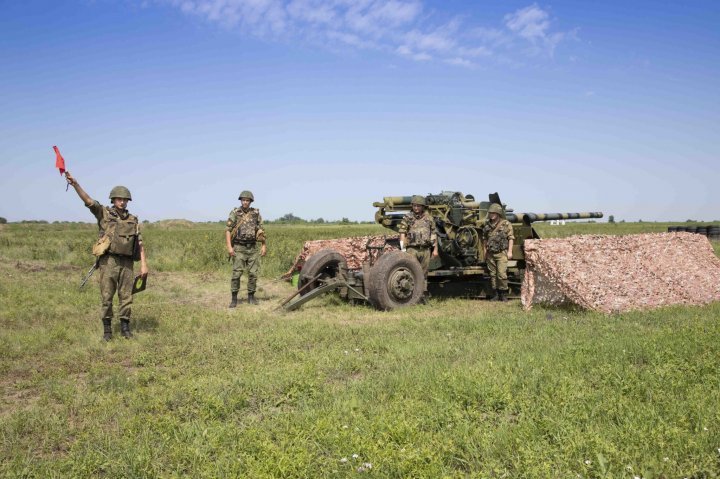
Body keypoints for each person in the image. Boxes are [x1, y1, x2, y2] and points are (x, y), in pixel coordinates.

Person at [65, 171, 148, 340]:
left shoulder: (133, 219)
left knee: (126, 296)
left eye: (125, 199)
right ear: (113, 199)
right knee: (107, 295)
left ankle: (125, 329)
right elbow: (88, 201)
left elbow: (139, 243)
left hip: (127, 263)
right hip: (109, 261)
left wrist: (144, 264)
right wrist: (75, 184)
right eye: (119, 199)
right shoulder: (104, 213)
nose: (122, 201)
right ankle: (107, 331)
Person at [225, 190, 266, 307]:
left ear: (250, 201)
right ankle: (234, 299)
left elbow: (261, 231)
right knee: (236, 274)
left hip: (253, 248)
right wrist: (229, 247)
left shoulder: (255, 213)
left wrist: (263, 245)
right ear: (241, 201)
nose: (245, 202)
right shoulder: (235, 212)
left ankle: (251, 297)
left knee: (253, 274)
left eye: (247, 200)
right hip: (239, 247)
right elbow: (228, 230)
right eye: (243, 200)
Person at [481, 203, 514, 301]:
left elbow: (511, 238)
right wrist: (485, 253)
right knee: (492, 274)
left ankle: (503, 294)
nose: (491, 214)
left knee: (501, 274)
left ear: (498, 213)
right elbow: (485, 240)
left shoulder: (506, 224)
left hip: (501, 253)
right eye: (490, 213)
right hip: (491, 254)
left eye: (493, 213)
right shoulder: (487, 225)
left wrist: (510, 252)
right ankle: (495, 294)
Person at [398, 195, 439, 274]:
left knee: (424, 275)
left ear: (423, 207)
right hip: (412, 250)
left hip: (425, 250)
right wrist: (403, 250)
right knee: (411, 273)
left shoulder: (429, 218)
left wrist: (435, 250)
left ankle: (423, 286)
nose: (416, 208)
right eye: (414, 206)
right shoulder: (407, 218)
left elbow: (433, 234)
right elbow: (402, 234)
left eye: (418, 206)